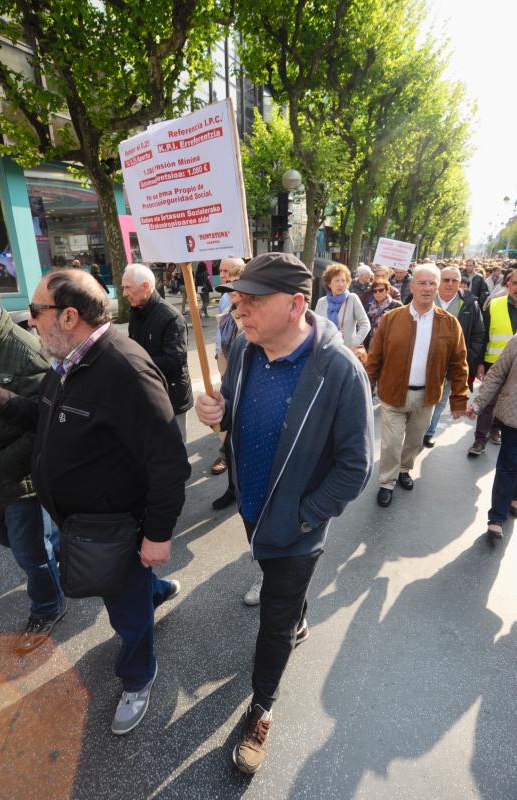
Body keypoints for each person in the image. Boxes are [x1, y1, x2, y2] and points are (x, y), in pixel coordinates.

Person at [0, 269, 190, 735]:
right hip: (83, 524)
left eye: (36, 312)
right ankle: (153, 589)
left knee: (125, 612)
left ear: (69, 316)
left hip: (113, 528)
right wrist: (0, 399)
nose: (29, 320)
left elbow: (168, 463)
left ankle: (138, 676)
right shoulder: (71, 357)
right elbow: (44, 418)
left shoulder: (124, 368)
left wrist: (157, 536)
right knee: (130, 587)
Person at [195, 252, 373, 774]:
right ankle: (296, 612)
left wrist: (305, 517)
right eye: (236, 298)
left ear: (296, 304)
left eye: (252, 301)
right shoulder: (246, 350)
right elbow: (231, 404)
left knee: (274, 621)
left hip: (298, 527)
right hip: (253, 510)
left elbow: (355, 466)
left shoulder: (338, 371)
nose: (237, 309)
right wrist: (217, 412)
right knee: (277, 583)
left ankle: (261, 708)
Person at [0, 275, 65, 653]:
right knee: (4, 539)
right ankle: (61, 546)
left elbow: (43, 424)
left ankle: (48, 605)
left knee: (30, 552)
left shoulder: (26, 348)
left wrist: (0, 467)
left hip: (18, 479)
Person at [366, 264, 468, 508]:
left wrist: (459, 399)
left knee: (414, 440)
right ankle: (387, 481)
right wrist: (364, 388)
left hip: (426, 396)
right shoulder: (391, 319)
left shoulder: (449, 324)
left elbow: (459, 363)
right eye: (422, 283)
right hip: (392, 395)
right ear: (411, 287)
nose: (427, 288)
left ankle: (404, 469)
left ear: (438, 287)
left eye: (432, 283)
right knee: (390, 443)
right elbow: (374, 358)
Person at [122, 263, 193, 443]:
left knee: (174, 450)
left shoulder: (171, 317)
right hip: (146, 392)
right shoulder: (136, 311)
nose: (124, 293)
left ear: (145, 286)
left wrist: (135, 363)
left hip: (171, 397)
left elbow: (174, 360)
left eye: (127, 287)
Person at [423, 266, 485, 447]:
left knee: (441, 401)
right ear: (438, 281)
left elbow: (478, 335)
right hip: (424, 363)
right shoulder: (426, 297)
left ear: (460, 283)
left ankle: (428, 432)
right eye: (446, 279)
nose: (450, 284)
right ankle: (416, 430)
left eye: (454, 280)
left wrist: (467, 359)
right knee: (421, 399)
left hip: (451, 365)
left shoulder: (470, 304)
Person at [467, 335, 517, 538]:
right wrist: (479, 403)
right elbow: (496, 374)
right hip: (513, 414)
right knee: (509, 463)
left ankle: (514, 497)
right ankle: (497, 517)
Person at [468, 268, 517, 457]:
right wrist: (479, 362)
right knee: (488, 402)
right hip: (493, 363)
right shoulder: (494, 305)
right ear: (508, 284)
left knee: (508, 402)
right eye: (515, 283)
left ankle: (496, 429)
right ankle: (480, 440)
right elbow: (483, 334)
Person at [210, 257, 245, 482]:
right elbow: (222, 338)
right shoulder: (227, 307)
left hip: (244, 379)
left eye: (235, 280)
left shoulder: (252, 320)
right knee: (227, 420)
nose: (228, 283)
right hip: (228, 366)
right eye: (224, 274)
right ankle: (233, 484)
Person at [314, 263, 370, 352]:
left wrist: (354, 344)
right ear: (329, 284)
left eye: (343, 280)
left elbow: (365, 324)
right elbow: (316, 328)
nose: (340, 284)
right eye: (337, 281)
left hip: (346, 352)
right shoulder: (321, 302)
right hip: (325, 352)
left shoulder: (352, 298)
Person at [365, 278, 402, 344]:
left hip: (389, 341)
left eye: (381, 290)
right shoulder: (369, 306)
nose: (378, 293)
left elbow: (401, 327)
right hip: (372, 340)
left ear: (387, 290)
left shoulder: (396, 305)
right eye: (375, 291)